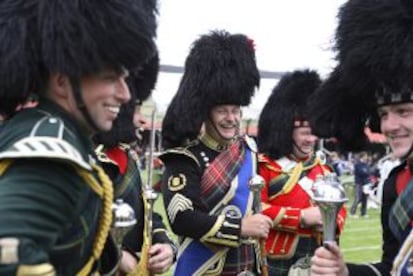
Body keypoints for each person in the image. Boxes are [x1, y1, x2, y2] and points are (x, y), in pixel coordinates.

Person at [0, 0, 157, 275]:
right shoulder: (52, 152)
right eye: (110, 78)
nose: (125, 94)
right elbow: (10, 252)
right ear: (62, 81)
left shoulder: (41, 130)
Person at [308, 0, 413, 274]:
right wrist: (345, 271)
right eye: (384, 113)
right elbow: (392, 268)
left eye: (403, 111)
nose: (390, 125)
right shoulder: (396, 182)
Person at [159, 30, 273, 275]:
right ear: (206, 111)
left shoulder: (249, 151)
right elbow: (182, 218)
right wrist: (241, 228)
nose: (231, 118)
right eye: (222, 111)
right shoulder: (184, 157)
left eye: (236, 110)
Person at [257, 69, 347, 275]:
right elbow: (254, 208)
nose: (311, 140)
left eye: (313, 134)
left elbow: (340, 207)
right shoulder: (264, 166)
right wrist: (301, 217)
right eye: (305, 133)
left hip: (318, 256)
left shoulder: (323, 168)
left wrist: (331, 223)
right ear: (286, 131)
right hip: (277, 258)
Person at [94, 52, 176, 275]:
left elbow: (144, 215)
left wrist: (166, 245)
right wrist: (117, 255)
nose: (141, 119)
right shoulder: (89, 158)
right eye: (136, 107)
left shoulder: (127, 159)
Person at [350, 152, 371, 218]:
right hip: (359, 183)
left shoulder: (366, 165)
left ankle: (363, 213)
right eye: (365, 156)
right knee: (358, 198)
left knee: (365, 198)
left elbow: (368, 172)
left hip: (366, 184)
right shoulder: (357, 165)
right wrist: (365, 172)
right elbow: (361, 172)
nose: (366, 158)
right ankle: (352, 212)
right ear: (362, 157)